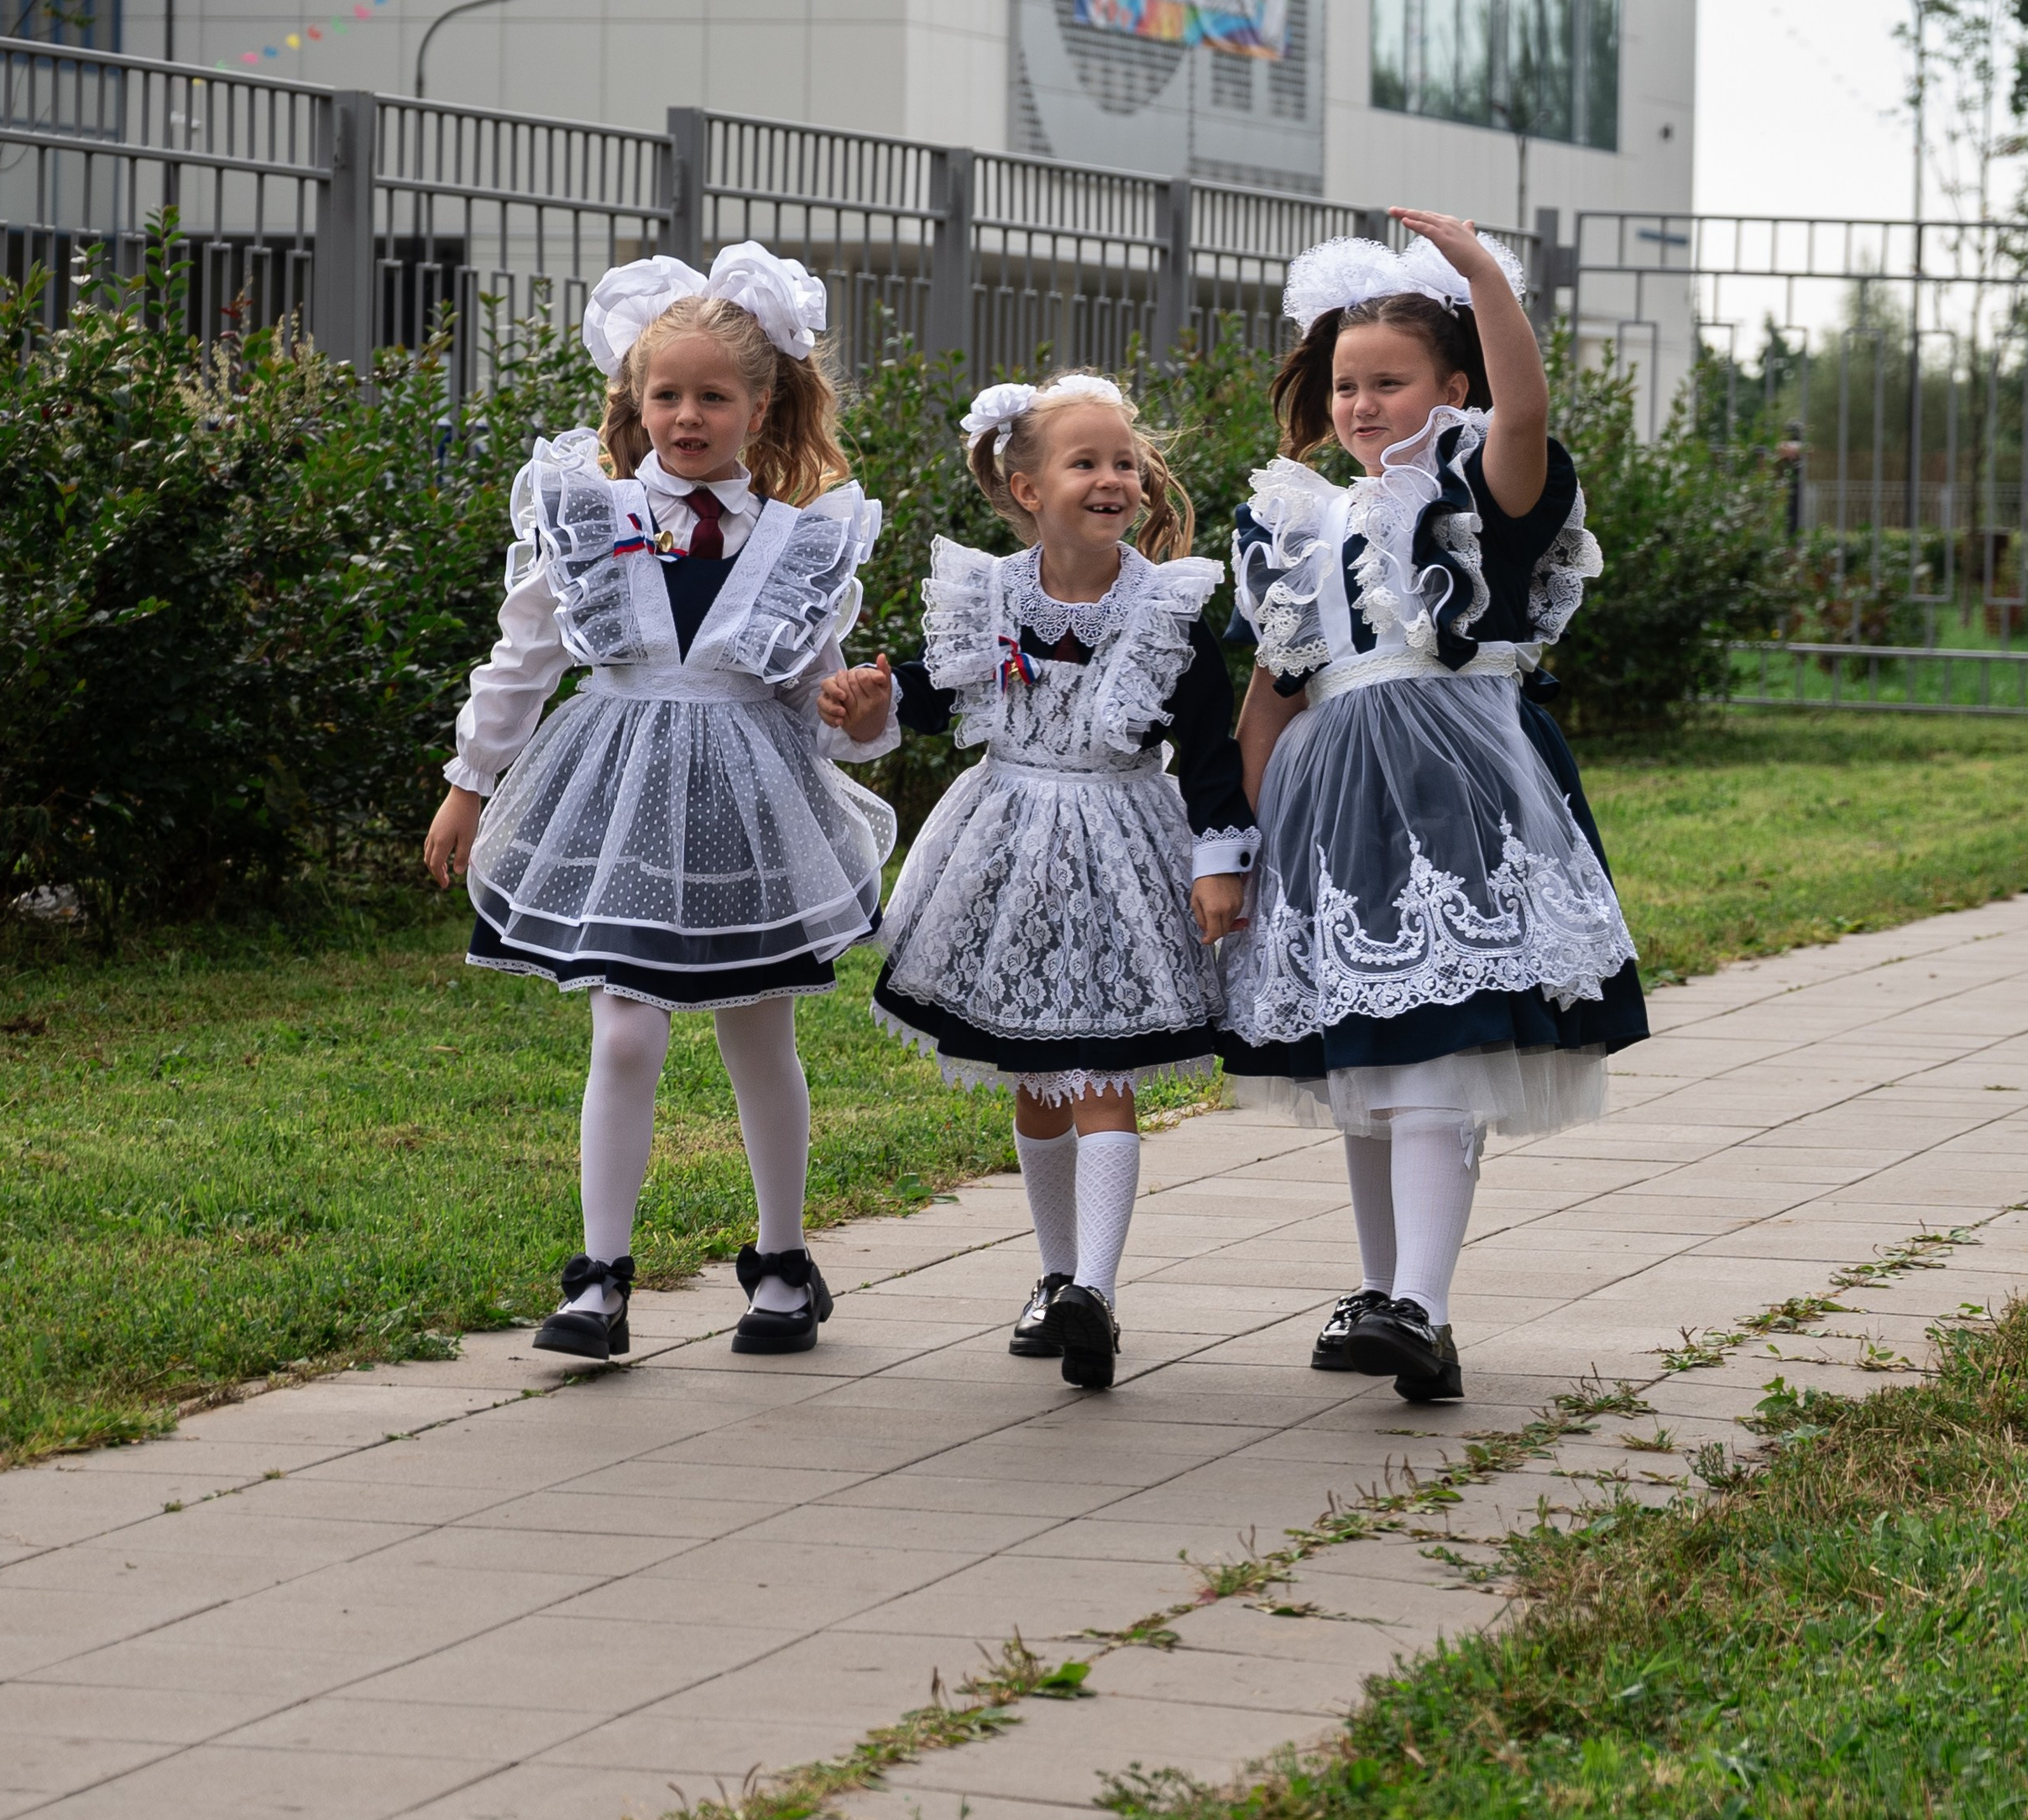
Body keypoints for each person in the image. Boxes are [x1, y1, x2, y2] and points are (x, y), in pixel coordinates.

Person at [424, 243, 896, 1365]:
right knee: (626, 1031)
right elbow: (521, 657)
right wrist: (466, 784)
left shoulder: (805, 537)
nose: (688, 415)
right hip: (617, 790)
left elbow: (823, 706)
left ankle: (783, 1261)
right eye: (666, 393)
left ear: (763, 401)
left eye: (713, 395)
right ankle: (601, 1276)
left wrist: (861, 707)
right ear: (634, 401)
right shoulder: (585, 515)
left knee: (756, 1030)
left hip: (750, 801)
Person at [1220, 212, 1648, 1405]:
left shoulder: (1484, 491)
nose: (1360, 403)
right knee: (1368, 1056)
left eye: (1390, 380)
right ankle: (1386, 1293)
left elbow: (1524, 413)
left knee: (1443, 1053)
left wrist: (1481, 277)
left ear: (1449, 384)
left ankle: (1427, 1301)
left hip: (1464, 797)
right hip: (1331, 811)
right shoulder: (1293, 519)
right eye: (1347, 383)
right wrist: (1252, 842)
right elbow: (1271, 691)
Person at [820, 374, 1257, 1393]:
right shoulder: (988, 596)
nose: (1113, 479)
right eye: (1086, 462)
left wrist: (1218, 862)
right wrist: (872, 701)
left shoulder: (1169, 610)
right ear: (1024, 488)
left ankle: (1094, 1291)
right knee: (1035, 1083)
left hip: (1121, 848)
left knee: (1102, 1076)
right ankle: (1055, 1275)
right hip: (1004, 848)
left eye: (1124, 464)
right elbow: (929, 699)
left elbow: (1206, 750)